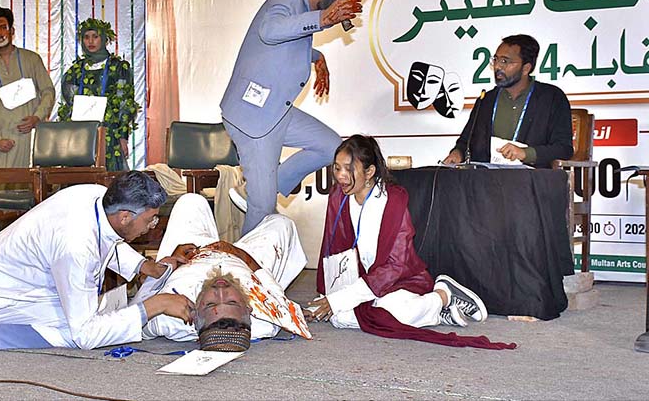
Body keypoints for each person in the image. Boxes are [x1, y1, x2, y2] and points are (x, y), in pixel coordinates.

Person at [0, 171, 194, 350]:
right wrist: (154, 306)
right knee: (79, 328)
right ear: (125, 216)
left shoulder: (97, 196)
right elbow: (85, 335)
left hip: (7, 276)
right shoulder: (76, 246)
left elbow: (107, 238)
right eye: (151, 219)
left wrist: (145, 266)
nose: (152, 226)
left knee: (98, 314)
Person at [308, 135, 516, 349]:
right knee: (340, 318)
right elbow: (331, 248)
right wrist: (329, 293)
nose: (341, 176)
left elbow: (396, 266)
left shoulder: (393, 201)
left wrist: (340, 300)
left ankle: (442, 296)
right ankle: (436, 312)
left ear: (369, 172)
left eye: (348, 169)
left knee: (389, 312)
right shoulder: (337, 197)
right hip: (362, 282)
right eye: (337, 168)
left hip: (400, 280)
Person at [220, 0, 362, 235]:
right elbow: (270, 31)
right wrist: (322, 18)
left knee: (331, 146)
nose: (335, 13)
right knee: (261, 210)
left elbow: (283, 46)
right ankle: (246, 275)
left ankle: (262, 190)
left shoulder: (298, 10)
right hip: (253, 117)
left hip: (276, 111)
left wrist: (317, 56)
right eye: (334, 3)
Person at [140, 193, 310, 351]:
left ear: (196, 313)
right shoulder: (266, 321)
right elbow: (279, 297)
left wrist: (168, 264)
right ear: (249, 309)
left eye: (211, 304)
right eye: (232, 302)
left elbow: (138, 307)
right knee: (282, 223)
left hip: (190, 253)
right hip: (244, 261)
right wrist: (239, 253)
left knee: (191, 200)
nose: (220, 291)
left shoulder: (169, 321)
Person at [443, 34, 573, 168]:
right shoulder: (486, 100)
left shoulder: (552, 98)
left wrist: (525, 153)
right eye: (496, 60)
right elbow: (466, 142)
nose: (498, 67)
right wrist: (457, 154)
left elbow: (563, 149)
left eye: (505, 61)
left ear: (526, 68)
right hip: (487, 181)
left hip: (532, 181)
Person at [0, 7, 55, 168]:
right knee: (2, 188)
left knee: (33, 186)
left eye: (3, 27)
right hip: (3, 141)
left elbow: (48, 91)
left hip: (31, 135)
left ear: (12, 30)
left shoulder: (31, 59)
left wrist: (37, 117)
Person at [57, 18, 139, 171]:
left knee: (109, 179)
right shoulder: (76, 69)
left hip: (109, 134)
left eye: (95, 36)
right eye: (86, 37)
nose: (91, 41)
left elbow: (124, 102)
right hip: (80, 135)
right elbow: (69, 102)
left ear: (104, 38)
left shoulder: (118, 67)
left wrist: (122, 136)